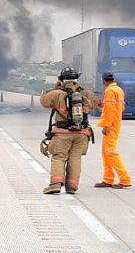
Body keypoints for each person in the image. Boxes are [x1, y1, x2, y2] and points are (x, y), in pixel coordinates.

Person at [39, 67, 99, 195]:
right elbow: (96, 103)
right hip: (82, 134)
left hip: (63, 133)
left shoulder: (57, 94)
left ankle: (55, 184)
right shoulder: (86, 93)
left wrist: (55, 88)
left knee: (59, 157)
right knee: (75, 159)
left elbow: (43, 101)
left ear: (61, 79)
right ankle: (72, 186)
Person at [95, 72, 132, 189]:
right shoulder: (119, 90)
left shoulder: (109, 91)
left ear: (103, 81)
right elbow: (120, 107)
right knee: (106, 153)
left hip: (111, 126)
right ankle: (108, 179)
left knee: (110, 152)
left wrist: (107, 125)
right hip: (115, 124)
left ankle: (125, 179)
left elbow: (110, 110)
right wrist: (102, 104)